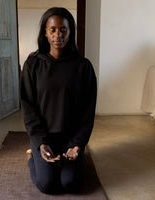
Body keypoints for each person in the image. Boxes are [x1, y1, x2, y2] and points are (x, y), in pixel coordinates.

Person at [20, 7, 97, 194]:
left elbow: (87, 112)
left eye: (63, 30)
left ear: (70, 32)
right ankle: (33, 157)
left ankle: (77, 157)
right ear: (45, 33)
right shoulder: (33, 65)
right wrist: (40, 142)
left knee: (70, 183)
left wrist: (77, 144)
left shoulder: (83, 67)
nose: (58, 35)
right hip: (44, 137)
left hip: (70, 139)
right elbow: (28, 107)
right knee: (47, 184)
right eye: (52, 30)